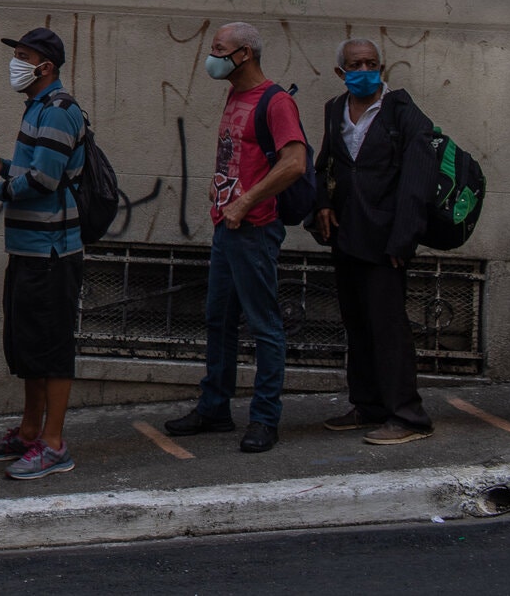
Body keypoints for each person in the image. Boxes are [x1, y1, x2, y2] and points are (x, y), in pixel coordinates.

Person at [164, 23, 307, 453]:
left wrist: (245, 202)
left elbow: (295, 163)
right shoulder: (236, 95)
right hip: (227, 227)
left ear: (244, 54)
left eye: (219, 49)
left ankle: (265, 419)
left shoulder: (275, 101)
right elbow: (240, 153)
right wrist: (220, 182)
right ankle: (214, 408)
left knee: (263, 325)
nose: (211, 56)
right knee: (218, 319)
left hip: (255, 228)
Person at [309, 39, 440, 446]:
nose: (363, 69)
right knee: (357, 324)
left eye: (370, 63)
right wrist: (323, 204)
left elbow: (418, 181)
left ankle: (408, 415)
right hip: (347, 235)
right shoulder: (335, 109)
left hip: (386, 242)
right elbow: (325, 164)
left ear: (381, 67)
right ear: (340, 72)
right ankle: (368, 404)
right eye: (355, 64)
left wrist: (403, 240)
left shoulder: (403, 113)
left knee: (388, 329)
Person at [0, 28, 85, 480]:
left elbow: (45, 183)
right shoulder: (38, 108)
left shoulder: (58, 111)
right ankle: (30, 430)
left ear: (46, 67)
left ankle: (54, 445)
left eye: (22, 56)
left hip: (52, 250)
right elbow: (38, 170)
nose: (14, 64)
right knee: (30, 345)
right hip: (30, 248)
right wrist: (6, 169)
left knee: (52, 347)